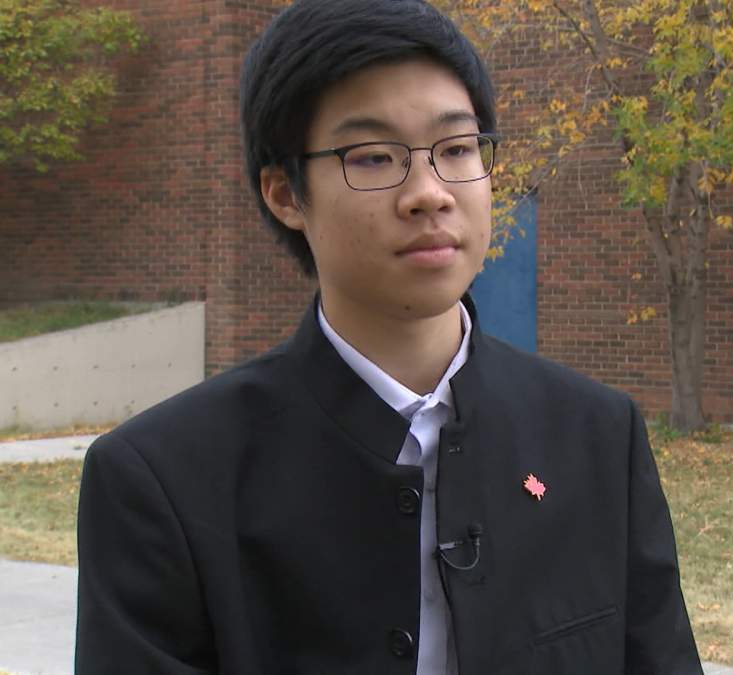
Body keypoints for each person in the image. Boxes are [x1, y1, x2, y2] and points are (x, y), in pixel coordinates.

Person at [74, 0, 701, 673]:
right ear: (286, 194)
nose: (429, 192)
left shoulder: (596, 437)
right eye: (373, 157)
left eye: (457, 149)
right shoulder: (161, 483)